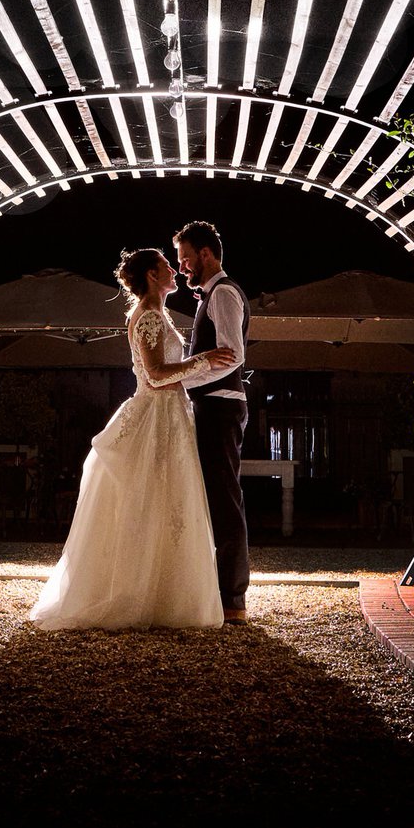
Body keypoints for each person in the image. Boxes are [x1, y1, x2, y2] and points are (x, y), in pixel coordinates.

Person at [29, 248, 237, 630]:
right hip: (156, 416)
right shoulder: (150, 318)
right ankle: (142, 594)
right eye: (166, 266)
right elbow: (156, 375)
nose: (175, 269)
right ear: (152, 276)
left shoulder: (154, 314)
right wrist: (205, 360)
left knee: (164, 502)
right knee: (153, 501)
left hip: (169, 415)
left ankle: (164, 594)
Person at [173, 219, 251, 623]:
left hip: (221, 407)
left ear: (206, 254)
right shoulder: (209, 295)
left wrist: (181, 377)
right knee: (214, 498)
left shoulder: (223, 293)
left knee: (224, 500)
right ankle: (218, 591)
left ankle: (234, 599)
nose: (182, 266)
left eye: (186, 258)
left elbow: (232, 355)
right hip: (210, 405)